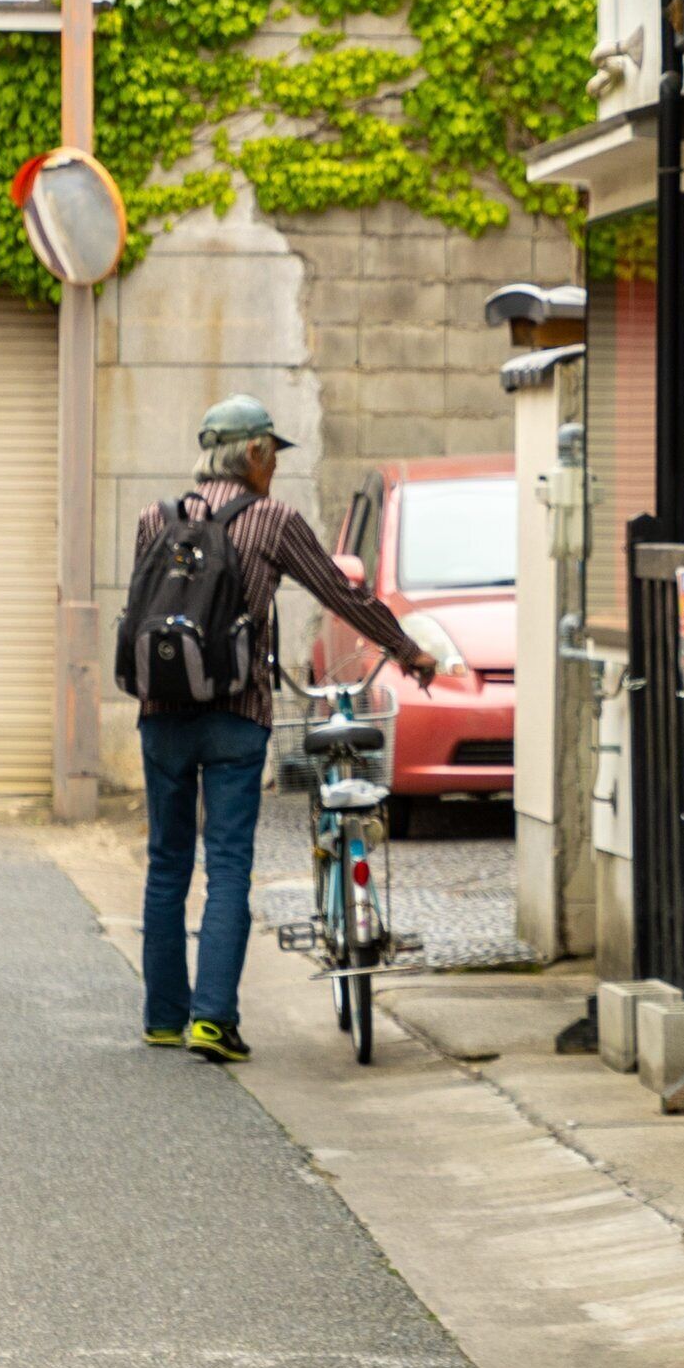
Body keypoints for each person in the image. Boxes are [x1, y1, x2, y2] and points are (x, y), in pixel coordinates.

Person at [130, 396, 450, 1065]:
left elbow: (142, 613)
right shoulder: (271, 520)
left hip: (161, 716)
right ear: (253, 454)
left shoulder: (152, 519)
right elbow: (344, 594)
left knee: (166, 866)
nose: (274, 467)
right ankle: (213, 1020)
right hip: (235, 719)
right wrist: (408, 652)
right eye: (272, 453)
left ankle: (164, 1017)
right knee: (226, 870)